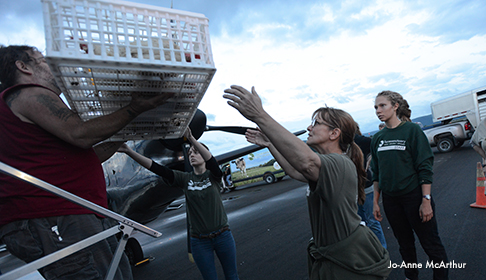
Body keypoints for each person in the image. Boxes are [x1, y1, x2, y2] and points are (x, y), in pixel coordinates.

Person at [0, 45, 174, 280]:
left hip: (75, 214)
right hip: (57, 216)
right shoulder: (27, 93)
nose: (51, 64)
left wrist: (128, 126)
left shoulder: (33, 108)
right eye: (42, 60)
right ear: (23, 67)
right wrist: (133, 109)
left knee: (116, 274)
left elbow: (91, 154)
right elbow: (80, 134)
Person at [223, 85, 391, 279]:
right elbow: (295, 169)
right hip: (335, 258)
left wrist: (259, 115)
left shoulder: (339, 163)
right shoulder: (330, 165)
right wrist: (270, 143)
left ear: (334, 133)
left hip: (347, 262)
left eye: (316, 123)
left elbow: (306, 162)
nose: (309, 127)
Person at [117, 128, 239, 280]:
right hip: (199, 242)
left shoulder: (214, 176)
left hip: (223, 236)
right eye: (190, 153)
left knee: (232, 276)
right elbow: (155, 167)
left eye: (196, 152)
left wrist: (192, 139)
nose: (192, 155)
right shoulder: (184, 179)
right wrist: (128, 151)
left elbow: (212, 162)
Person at [371, 90, 449, 280]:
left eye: (382, 106)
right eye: (375, 107)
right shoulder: (377, 138)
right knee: (404, 244)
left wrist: (426, 200)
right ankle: (411, 276)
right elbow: (377, 173)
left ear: (395, 106)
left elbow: (424, 167)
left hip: (414, 197)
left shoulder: (412, 131)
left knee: (430, 242)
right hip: (391, 200)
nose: (378, 110)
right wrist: (375, 201)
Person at [354, 128, 387, 249]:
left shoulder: (357, 140)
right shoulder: (338, 144)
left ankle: (382, 250)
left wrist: (370, 158)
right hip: (351, 190)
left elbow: (376, 143)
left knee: (372, 221)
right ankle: (370, 252)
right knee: (360, 223)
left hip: (365, 186)